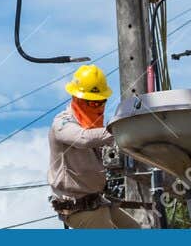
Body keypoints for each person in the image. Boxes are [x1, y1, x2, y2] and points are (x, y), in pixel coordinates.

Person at [47, 64, 137, 229]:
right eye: (93, 103)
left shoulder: (93, 126)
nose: (99, 107)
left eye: (101, 102)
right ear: (78, 99)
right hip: (77, 207)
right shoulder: (62, 123)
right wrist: (122, 130)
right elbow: (83, 139)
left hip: (96, 201)